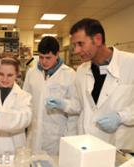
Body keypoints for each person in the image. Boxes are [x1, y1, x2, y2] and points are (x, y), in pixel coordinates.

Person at [70, 18, 134, 152]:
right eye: (74, 45)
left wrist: (121, 117)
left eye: (80, 44)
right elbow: (79, 105)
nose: (76, 50)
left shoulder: (130, 64)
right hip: (87, 145)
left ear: (98, 39)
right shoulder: (81, 70)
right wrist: (64, 104)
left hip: (119, 147)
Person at [23, 36, 80, 155]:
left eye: (48, 58)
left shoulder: (69, 75)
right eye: (41, 57)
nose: (44, 61)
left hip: (55, 136)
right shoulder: (32, 73)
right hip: (34, 133)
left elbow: (77, 106)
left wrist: (64, 105)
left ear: (57, 54)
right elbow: (25, 100)